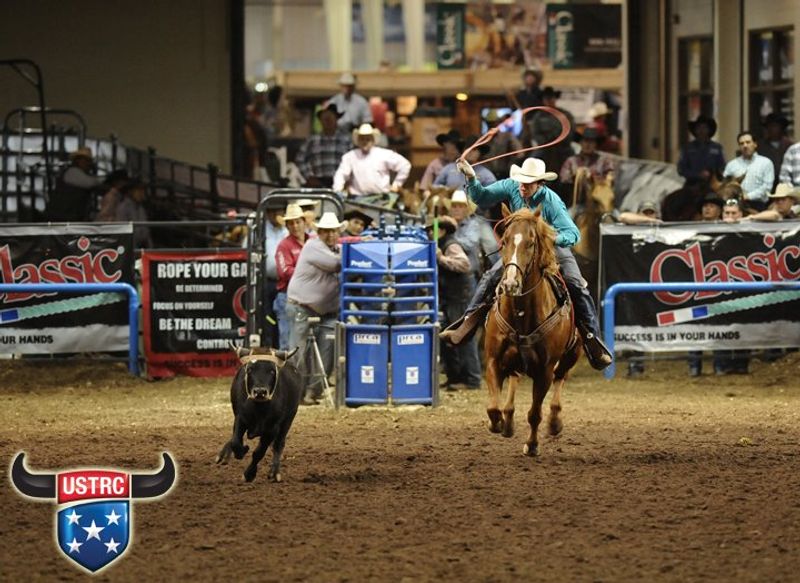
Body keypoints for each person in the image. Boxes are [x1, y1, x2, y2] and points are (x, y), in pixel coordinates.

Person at [440, 156, 613, 371]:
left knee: (575, 283)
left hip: (550, 247)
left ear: (540, 183)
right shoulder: (511, 186)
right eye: (521, 181)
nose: (523, 186)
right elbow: (482, 198)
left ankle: (592, 338)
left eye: (529, 182)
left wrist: (548, 238)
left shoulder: (550, 200)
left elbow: (573, 234)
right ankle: (466, 324)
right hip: (521, 248)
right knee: (491, 276)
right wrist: (472, 177)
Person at [286, 212, 344, 404]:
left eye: (334, 231)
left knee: (327, 351)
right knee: (298, 352)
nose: (330, 235)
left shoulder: (336, 248)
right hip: (301, 307)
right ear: (319, 232)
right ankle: (295, 394)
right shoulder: (313, 246)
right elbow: (336, 264)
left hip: (326, 310)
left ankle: (313, 392)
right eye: (326, 231)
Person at [427, 215, 481, 391]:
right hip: (452, 296)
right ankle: (455, 377)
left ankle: (472, 379)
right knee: (449, 335)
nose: (429, 234)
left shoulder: (451, 245)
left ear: (440, 231)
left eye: (431, 230)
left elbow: (464, 265)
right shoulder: (444, 244)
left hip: (461, 295)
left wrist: (441, 258)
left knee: (464, 336)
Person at [332, 124, 410, 197]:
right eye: (362, 139)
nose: (365, 141)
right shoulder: (350, 156)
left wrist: (397, 184)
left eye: (368, 139)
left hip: (382, 199)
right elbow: (341, 174)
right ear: (358, 141)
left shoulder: (383, 154)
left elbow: (405, 165)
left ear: (373, 140)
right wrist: (338, 190)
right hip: (357, 200)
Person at [274, 204, 310, 351]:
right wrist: (311, 273)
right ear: (287, 226)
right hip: (288, 296)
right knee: (288, 341)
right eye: (291, 223)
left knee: (304, 342)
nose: (295, 226)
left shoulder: (312, 241)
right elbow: (285, 271)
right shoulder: (284, 245)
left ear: (304, 222)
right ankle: (285, 373)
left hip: (308, 298)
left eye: (297, 222)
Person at [295, 103, 352, 188]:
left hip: (341, 182)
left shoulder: (346, 139)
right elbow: (300, 159)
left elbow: (353, 160)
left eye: (330, 118)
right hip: (318, 182)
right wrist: (308, 176)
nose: (328, 121)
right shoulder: (312, 140)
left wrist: (349, 178)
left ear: (336, 119)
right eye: (325, 119)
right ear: (321, 121)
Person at [528, 86, 575, 176]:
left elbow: (571, 130)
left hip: (563, 147)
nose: (549, 101)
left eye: (551, 98)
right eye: (547, 98)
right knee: (531, 161)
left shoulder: (565, 114)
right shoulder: (537, 117)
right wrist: (546, 142)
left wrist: (560, 139)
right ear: (543, 100)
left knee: (573, 159)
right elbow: (535, 134)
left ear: (555, 99)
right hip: (545, 147)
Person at [46, 147, 102, 222]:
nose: (87, 163)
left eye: (88, 161)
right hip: (63, 215)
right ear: (77, 160)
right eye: (85, 160)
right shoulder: (73, 172)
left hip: (67, 216)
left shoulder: (76, 173)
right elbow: (90, 183)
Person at [723, 131, 774, 210]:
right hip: (735, 206)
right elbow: (725, 187)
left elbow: (767, 188)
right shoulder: (731, 165)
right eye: (741, 143)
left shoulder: (766, 163)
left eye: (748, 142)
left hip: (758, 205)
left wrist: (747, 196)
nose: (745, 146)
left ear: (755, 144)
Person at [261, 197, 288, 348]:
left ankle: (279, 346)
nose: (277, 214)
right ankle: (269, 345)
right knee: (267, 315)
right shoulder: (260, 230)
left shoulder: (287, 230)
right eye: (273, 211)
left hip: (285, 281)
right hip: (267, 280)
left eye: (280, 211)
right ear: (268, 213)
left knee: (282, 315)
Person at [677, 115, 726, 187]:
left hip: (712, 184)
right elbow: (681, 169)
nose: (701, 130)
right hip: (692, 185)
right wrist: (697, 175)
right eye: (699, 127)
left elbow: (723, 167)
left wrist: (711, 174)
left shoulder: (717, 148)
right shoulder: (687, 148)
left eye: (705, 128)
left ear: (709, 130)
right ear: (695, 130)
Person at [758, 113, 793, 190]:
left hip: (786, 185)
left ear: (781, 128)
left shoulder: (790, 146)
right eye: (769, 126)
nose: (771, 129)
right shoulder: (760, 147)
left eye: (774, 126)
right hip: (766, 184)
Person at [115, 180, 153, 248]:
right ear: (130, 192)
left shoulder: (141, 208)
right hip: (130, 246)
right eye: (138, 191)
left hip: (142, 244)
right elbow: (123, 231)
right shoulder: (123, 208)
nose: (142, 193)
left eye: (142, 191)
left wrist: (150, 246)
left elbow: (145, 228)